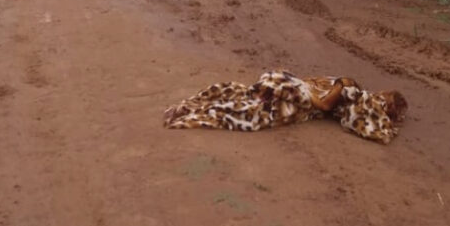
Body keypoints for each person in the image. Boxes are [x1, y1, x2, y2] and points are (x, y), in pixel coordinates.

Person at [163, 71, 407, 144]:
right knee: (249, 109)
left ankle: (190, 109)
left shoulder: (353, 95)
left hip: (295, 92)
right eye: (384, 100)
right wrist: (342, 84)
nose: (381, 100)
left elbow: (314, 87)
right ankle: (191, 110)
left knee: (246, 105)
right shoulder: (349, 85)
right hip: (296, 95)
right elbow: (321, 103)